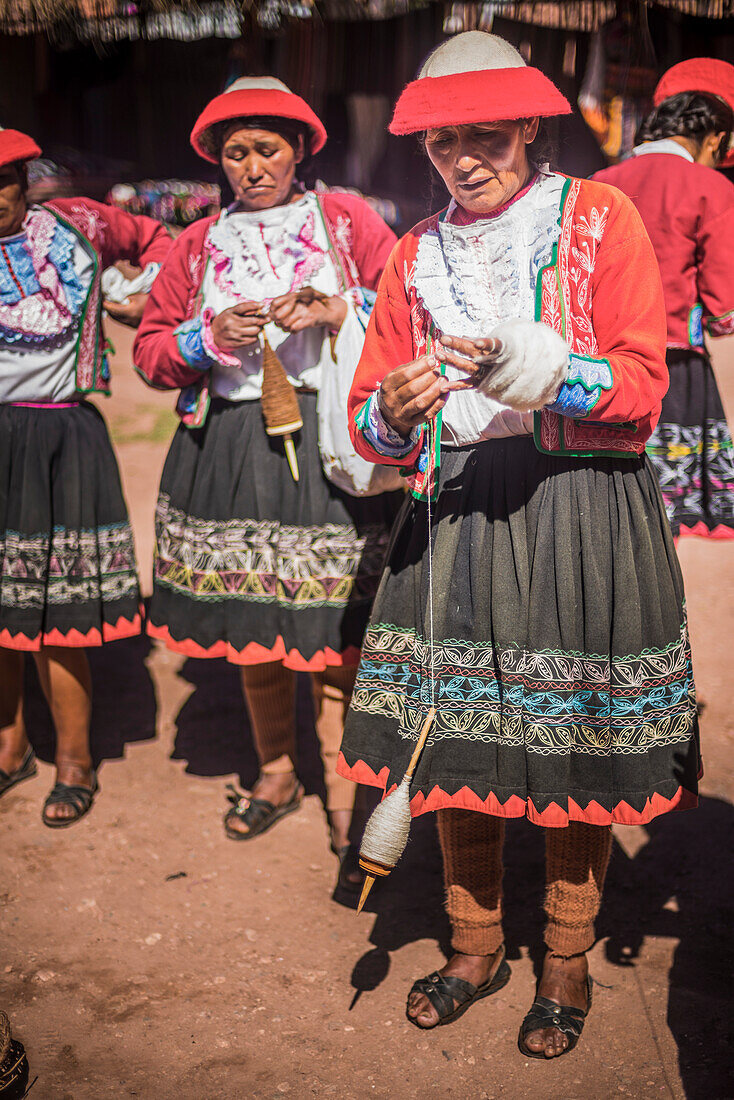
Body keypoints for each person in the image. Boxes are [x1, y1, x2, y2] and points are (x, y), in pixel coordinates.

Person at [337, 33, 700, 1058]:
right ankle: (471, 942)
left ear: (529, 128)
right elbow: (365, 418)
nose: (461, 158)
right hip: (455, 509)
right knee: (451, 733)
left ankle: (566, 957)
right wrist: (398, 410)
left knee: (570, 735)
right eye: (441, 141)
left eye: (483, 136)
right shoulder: (413, 256)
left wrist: (531, 368)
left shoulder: (599, 218)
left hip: (579, 503)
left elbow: (638, 384)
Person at [133, 78, 400, 893]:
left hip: (330, 445)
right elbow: (150, 351)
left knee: (340, 628)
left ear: (300, 152)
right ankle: (278, 770)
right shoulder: (198, 243)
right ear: (218, 161)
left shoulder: (347, 221)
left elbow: (402, 303)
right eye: (235, 152)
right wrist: (205, 335)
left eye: (267, 150)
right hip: (234, 446)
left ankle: (356, 799)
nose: (251, 167)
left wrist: (336, 311)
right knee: (258, 618)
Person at [0, 127, 171, 825]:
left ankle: (74, 760)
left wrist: (142, 296)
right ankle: (9, 748)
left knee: (58, 613)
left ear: (24, 180)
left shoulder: (79, 225)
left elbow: (161, 244)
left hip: (62, 433)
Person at [593, 59, 734, 539]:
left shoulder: (601, 182)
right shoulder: (712, 187)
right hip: (675, 365)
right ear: (715, 139)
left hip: (606, 362)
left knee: (616, 500)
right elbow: (723, 305)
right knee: (675, 511)